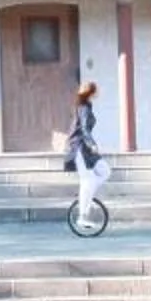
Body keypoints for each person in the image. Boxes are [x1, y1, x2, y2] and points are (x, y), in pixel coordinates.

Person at [64, 82, 112, 218]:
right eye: (97, 90)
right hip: (78, 146)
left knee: (105, 171)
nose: (99, 92)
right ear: (91, 92)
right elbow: (84, 129)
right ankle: (82, 216)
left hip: (85, 147)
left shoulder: (86, 106)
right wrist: (92, 144)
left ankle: (86, 197)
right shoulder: (83, 107)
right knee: (87, 180)